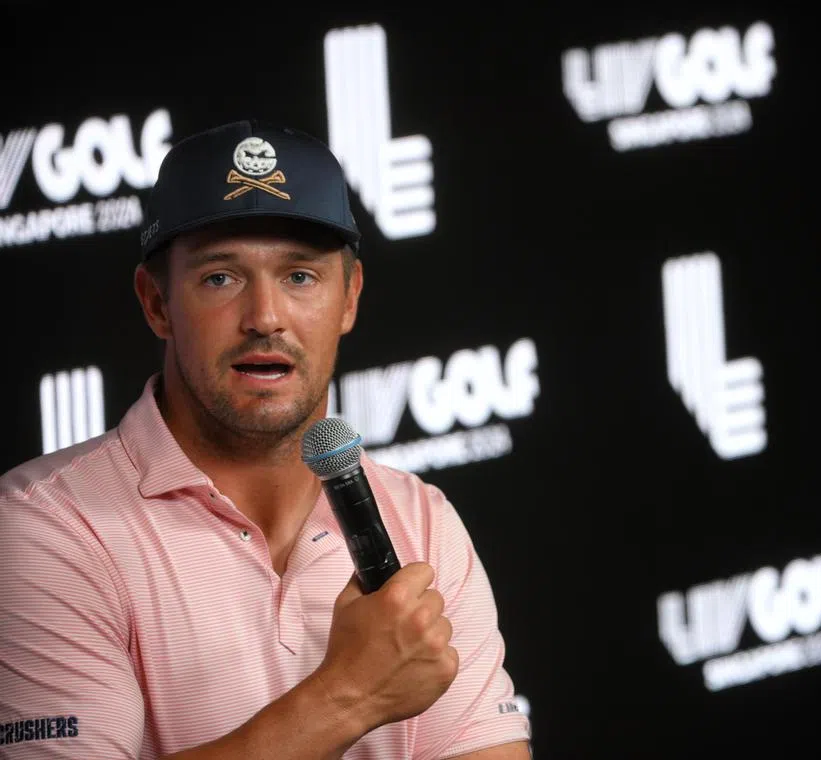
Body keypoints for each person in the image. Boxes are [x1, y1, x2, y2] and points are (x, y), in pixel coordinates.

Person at [0, 120, 532, 759]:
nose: (266, 318)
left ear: (349, 299)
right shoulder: (44, 525)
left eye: (300, 277)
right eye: (221, 277)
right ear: (156, 303)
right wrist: (351, 692)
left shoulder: (422, 522)